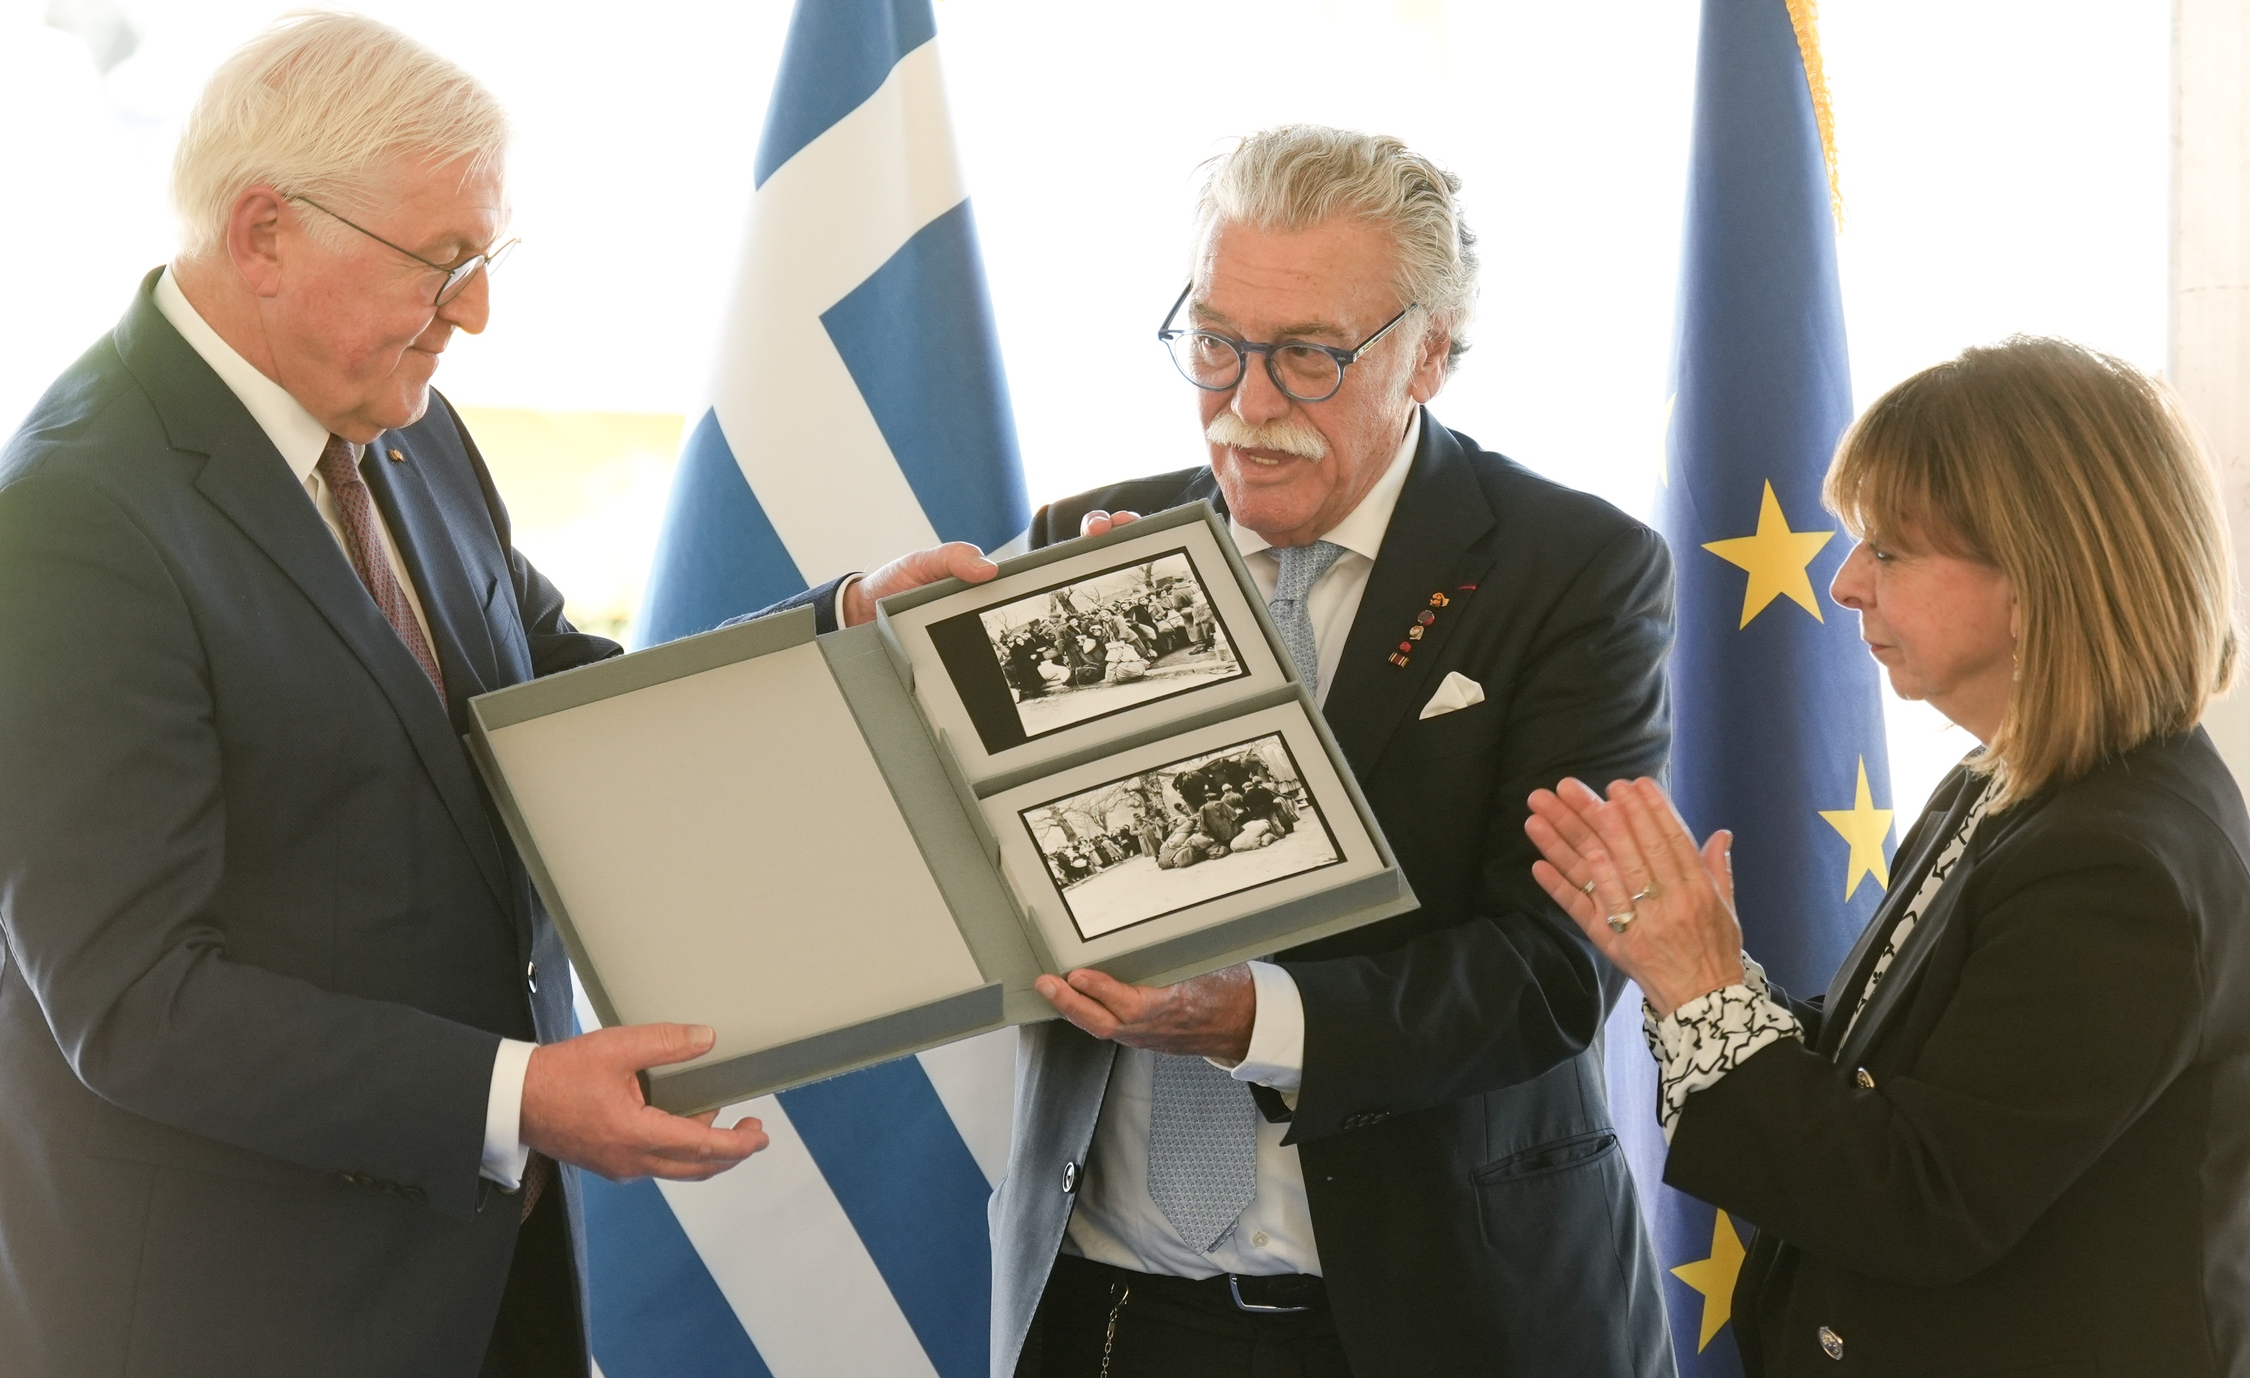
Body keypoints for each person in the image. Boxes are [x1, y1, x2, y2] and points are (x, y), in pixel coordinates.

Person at [0, 13, 806, 1377]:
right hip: (241, 1313)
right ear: (265, 233)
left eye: (485, 262)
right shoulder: (70, 521)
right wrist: (522, 1096)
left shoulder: (403, 425)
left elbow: (547, 688)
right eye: (444, 262)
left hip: (481, 1276)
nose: (476, 312)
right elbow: (135, 1003)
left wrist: (843, 637)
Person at [850, 126, 1678, 1375]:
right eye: (1216, 343)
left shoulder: (1574, 569)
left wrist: (1259, 1017)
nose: (1248, 403)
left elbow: (1554, 971)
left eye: (1306, 356)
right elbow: (942, 854)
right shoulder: (1087, 543)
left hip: (1435, 1316)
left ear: (1430, 351)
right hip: (1108, 1312)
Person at [1525, 338, 2250, 1377]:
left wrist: (1704, 994)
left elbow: (1921, 1201)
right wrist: (1697, 977)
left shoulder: (2116, 868)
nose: (1845, 582)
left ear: (2040, 574)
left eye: (1891, 552)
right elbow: (1888, 1075)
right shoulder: (2002, 783)